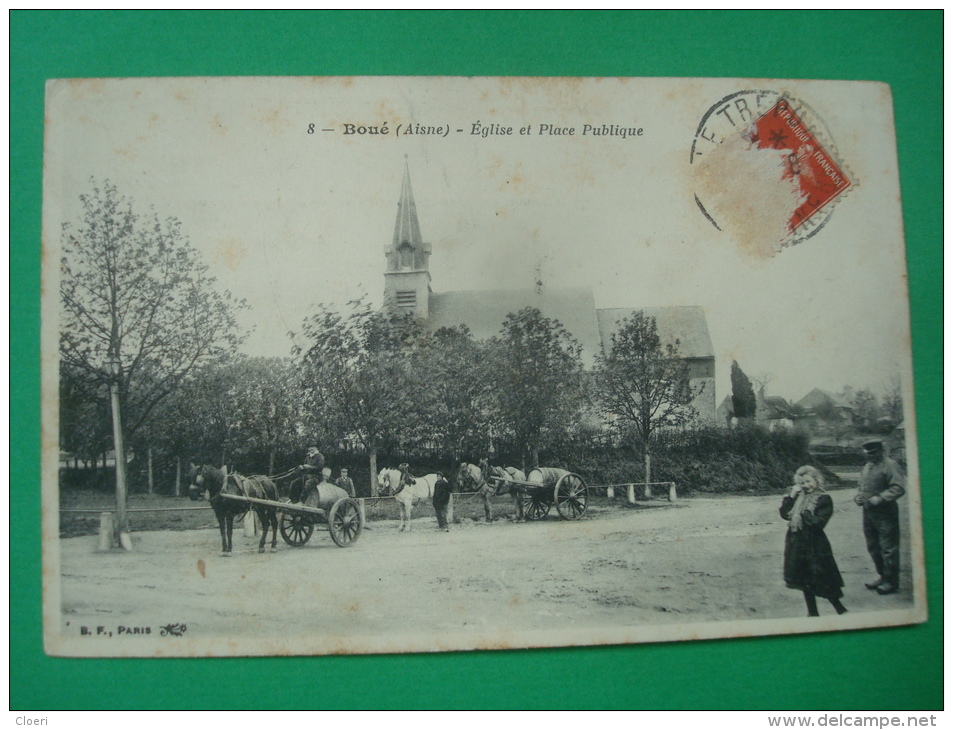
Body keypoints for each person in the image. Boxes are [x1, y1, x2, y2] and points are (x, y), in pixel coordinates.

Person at [780, 465, 847, 617]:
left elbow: (819, 523)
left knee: (823, 578)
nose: (806, 486)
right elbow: (784, 514)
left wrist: (805, 515)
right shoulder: (798, 497)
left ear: (816, 480)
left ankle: (840, 609)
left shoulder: (823, 498)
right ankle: (812, 612)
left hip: (815, 544)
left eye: (809, 481)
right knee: (804, 579)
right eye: (802, 483)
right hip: (796, 541)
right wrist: (791, 496)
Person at [854, 440, 905, 595]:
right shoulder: (867, 467)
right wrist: (858, 497)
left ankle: (891, 582)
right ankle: (882, 576)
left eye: (874, 453)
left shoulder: (890, 465)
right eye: (868, 454)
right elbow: (861, 486)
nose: (870, 456)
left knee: (888, 548)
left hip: (885, 513)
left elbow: (898, 487)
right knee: (873, 546)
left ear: (881, 451)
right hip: (869, 513)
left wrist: (880, 498)